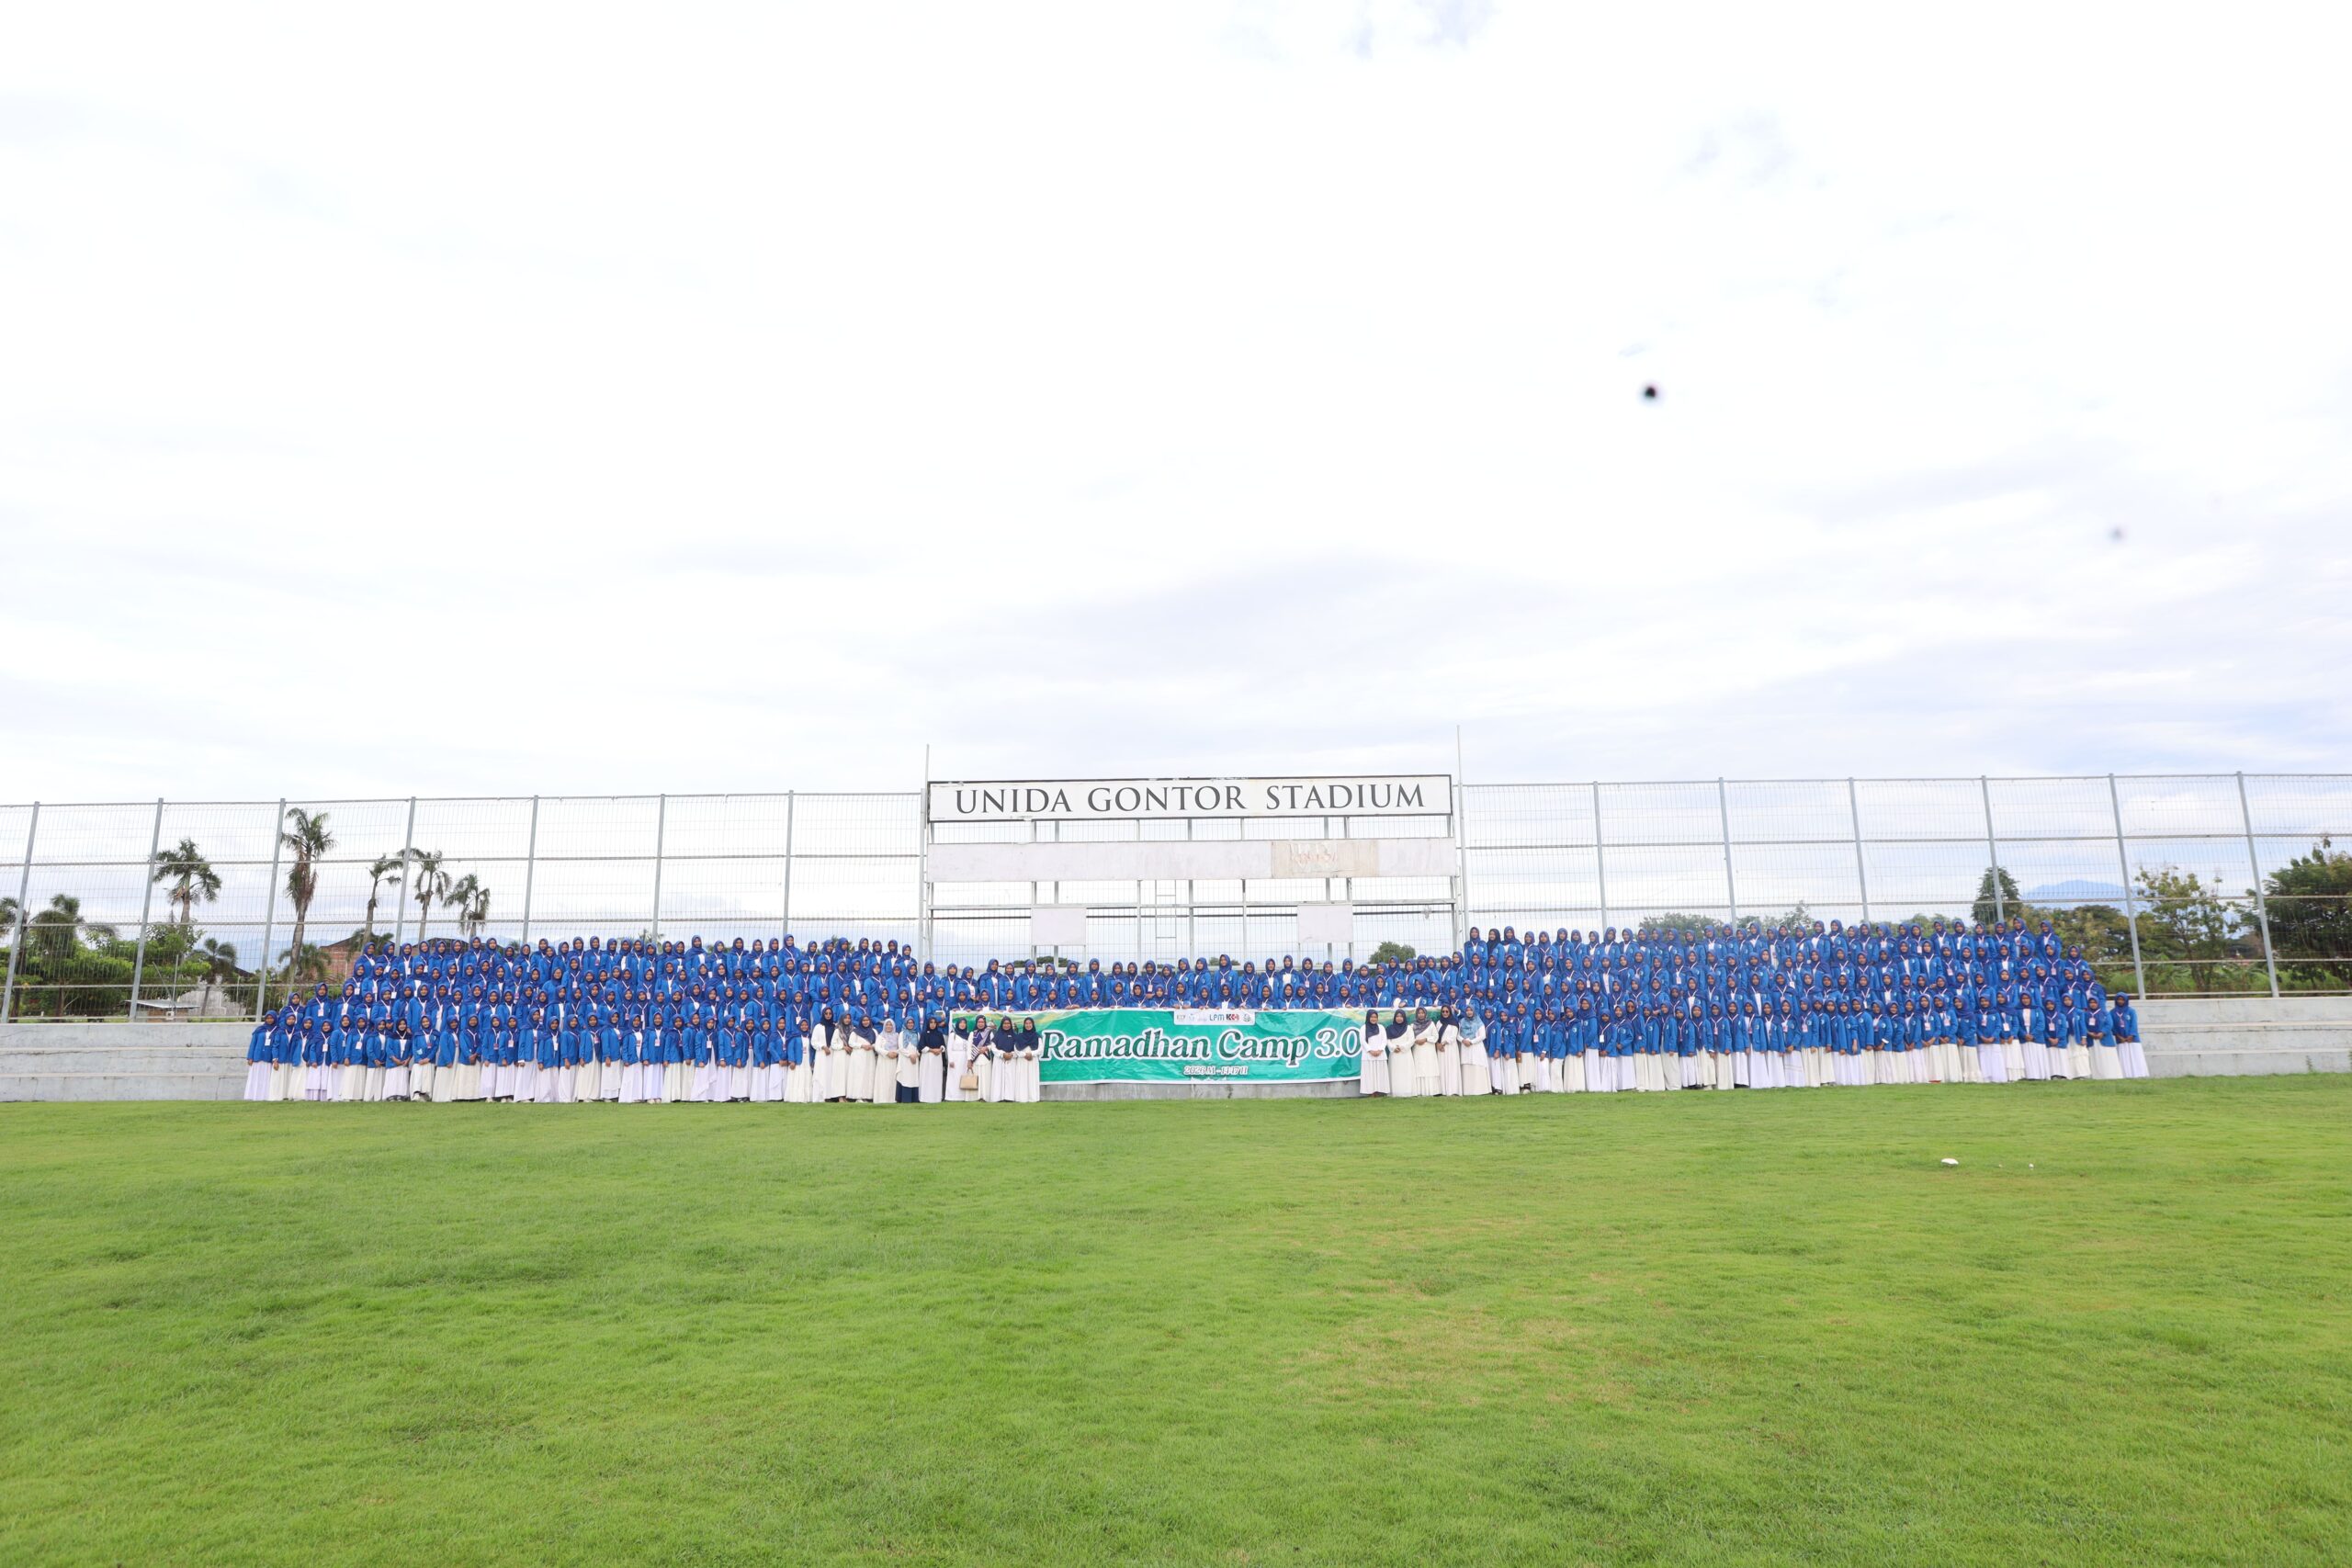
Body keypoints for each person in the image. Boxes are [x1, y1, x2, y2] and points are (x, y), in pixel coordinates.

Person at [1359, 1010, 1390, 1097]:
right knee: (1370, 1075)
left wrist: (1380, 1050)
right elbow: (1362, 1041)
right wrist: (1371, 1051)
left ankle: (1380, 1092)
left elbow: (1384, 1040)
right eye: (1372, 1017)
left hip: (1380, 1055)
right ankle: (1371, 1092)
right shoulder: (1363, 1028)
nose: (1373, 1019)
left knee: (1380, 1074)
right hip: (1368, 1055)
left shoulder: (1381, 1027)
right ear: (1368, 1017)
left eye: (1375, 1017)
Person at [917, 1015, 946, 1103]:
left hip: (937, 1059)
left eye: (934, 1023)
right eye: (931, 1022)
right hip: (927, 1058)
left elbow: (943, 1045)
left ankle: (936, 1098)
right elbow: (921, 1046)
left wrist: (940, 1049)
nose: (933, 1025)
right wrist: (932, 1050)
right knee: (927, 1077)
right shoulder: (924, 1033)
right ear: (928, 1023)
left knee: (936, 1077)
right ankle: (925, 1098)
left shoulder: (939, 1034)